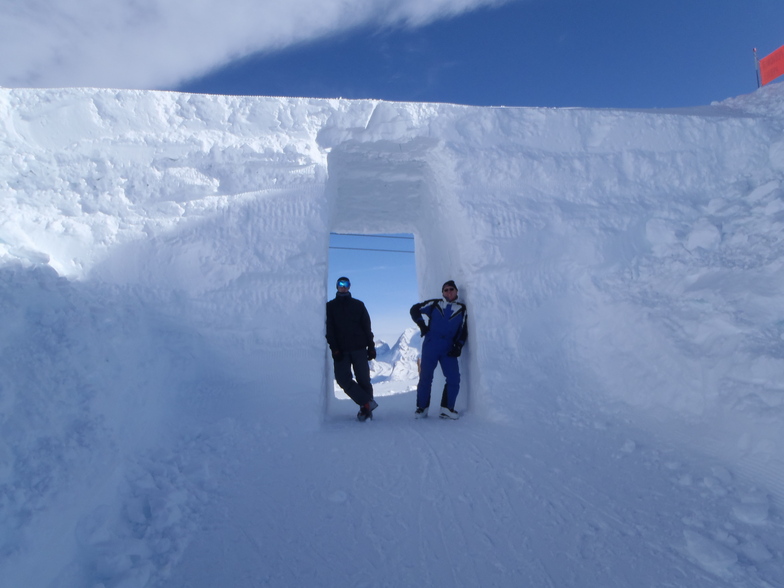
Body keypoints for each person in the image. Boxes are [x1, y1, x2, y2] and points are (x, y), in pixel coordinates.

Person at [409, 280, 468, 419]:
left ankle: (447, 409)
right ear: (442, 292)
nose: (449, 292)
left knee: (454, 378)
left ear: (456, 291)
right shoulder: (435, 304)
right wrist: (422, 326)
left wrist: (458, 346)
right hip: (431, 345)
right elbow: (414, 309)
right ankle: (422, 408)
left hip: (448, 348)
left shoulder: (462, 309)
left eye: (451, 289)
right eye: (446, 290)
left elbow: (463, 330)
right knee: (425, 377)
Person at [326, 276, 378, 421]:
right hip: (341, 351)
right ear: (336, 286)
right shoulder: (330, 306)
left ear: (349, 286)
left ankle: (366, 410)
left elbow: (367, 327)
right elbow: (329, 329)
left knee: (364, 380)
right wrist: (334, 348)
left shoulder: (358, 305)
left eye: (346, 284)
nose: (343, 286)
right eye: (340, 284)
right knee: (342, 379)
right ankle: (367, 402)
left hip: (359, 348)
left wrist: (371, 347)